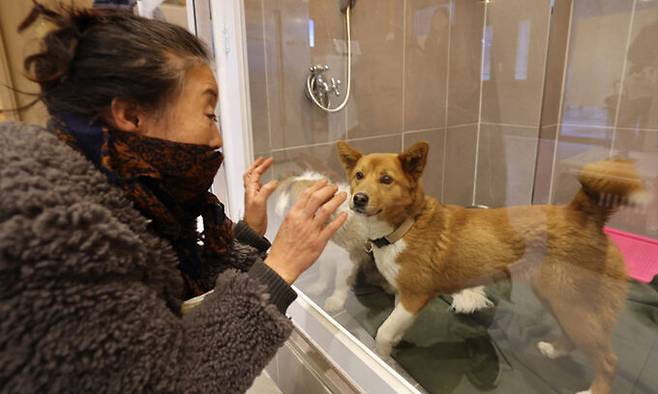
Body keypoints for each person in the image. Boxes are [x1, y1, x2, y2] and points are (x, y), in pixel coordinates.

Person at [0, 3, 347, 393]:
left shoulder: (106, 188)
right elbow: (168, 383)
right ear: (131, 116)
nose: (216, 139)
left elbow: (169, 282)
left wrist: (247, 235)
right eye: (209, 114)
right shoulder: (52, 234)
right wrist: (281, 266)